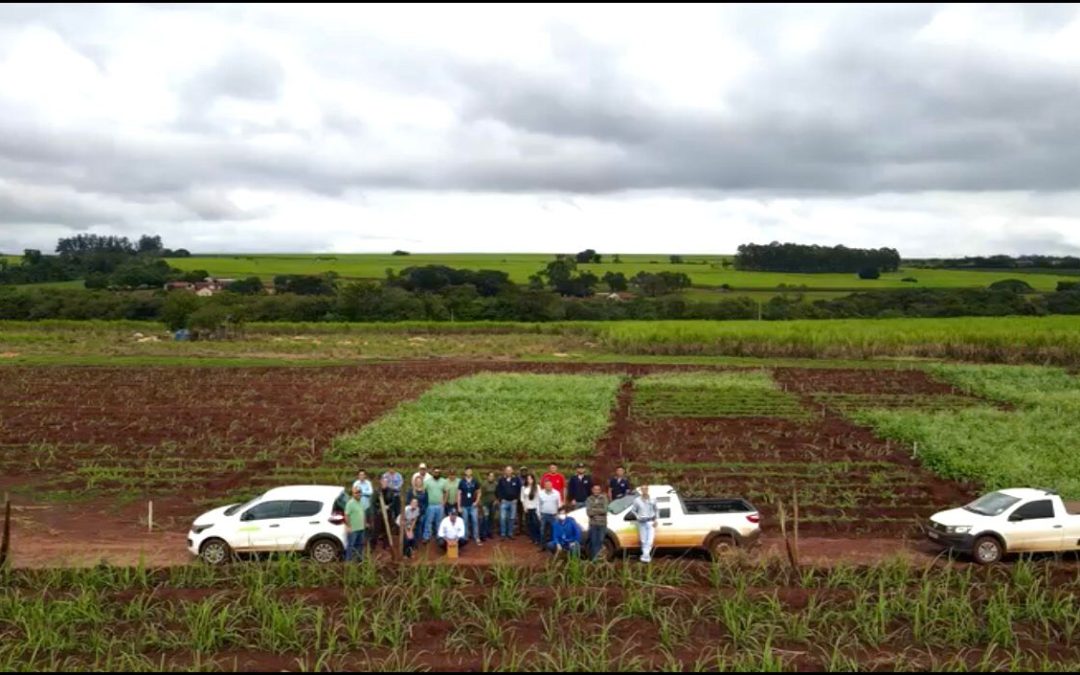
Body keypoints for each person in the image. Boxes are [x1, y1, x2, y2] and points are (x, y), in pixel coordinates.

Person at [631, 485, 658, 563]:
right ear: (641, 490)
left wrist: (656, 520)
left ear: (648, 489)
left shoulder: (653, 499)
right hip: (642, 522)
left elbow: (656, 510)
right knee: (643, 540)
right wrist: (637, 516)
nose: (644, 490)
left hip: (651, 521)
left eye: (645, 489)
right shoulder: (637, 500)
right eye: (642, 489)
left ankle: (645, 556)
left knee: (650, 540)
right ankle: (646, 556)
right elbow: (633, 510)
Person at [495, 465, 522, 540]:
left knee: (512, 518)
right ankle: (503, 534)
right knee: (503, 518)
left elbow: (519, 489)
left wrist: (517, 498)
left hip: (513, 502)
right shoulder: (501, 480)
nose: (508, 472)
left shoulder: (516, 479)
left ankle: (510, 533)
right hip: (504, 502)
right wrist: (500, 499)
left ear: (512, 471)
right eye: (507, 470)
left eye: (510, 470)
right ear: (505, 471)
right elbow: (498, 490)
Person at [457, 467, 483, 547]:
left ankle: (476, 537)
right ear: (465, 472)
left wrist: (476, 502)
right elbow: (458, 494)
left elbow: (479, 492)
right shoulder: (462, 482)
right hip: (464, 505)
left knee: (475, 521)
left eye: (470, 471)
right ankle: (465, 537)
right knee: (465, 522)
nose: (468, 472)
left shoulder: (475, 481)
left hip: (472, 505)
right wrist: (459, 506)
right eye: (467, 471)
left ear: (471, 472)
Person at [422, 468, 449, 543]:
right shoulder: (427, 481)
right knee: (428, 522)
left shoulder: (444, 481)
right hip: (430, 505)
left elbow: (446, 492)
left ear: (440, 473)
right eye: (435, 472)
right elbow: (423, 490)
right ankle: (426, 537)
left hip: (440, 505)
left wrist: (444, 502)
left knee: (439, 522)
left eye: (438, 472)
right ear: (432, 473)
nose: (436, 473)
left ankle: (439, 536)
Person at [585, 483, 610, 561]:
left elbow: (605, 510)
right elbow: (589, 512)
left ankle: (599, 558)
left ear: (600, 490)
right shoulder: (589, 499)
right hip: (593, 524)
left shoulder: (604, 498)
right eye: (595, 489)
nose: (596, 491)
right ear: (592, 490)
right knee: (593, 541)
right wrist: (599, 510)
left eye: (598, 489)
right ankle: (594, 559)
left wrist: (594, 510)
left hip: (602, 523)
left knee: (600, 541)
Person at [537, 478, 562, 550]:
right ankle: (542, 546)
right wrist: (539, 514)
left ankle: (552, 547)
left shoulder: (556, 493)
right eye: (546, 485)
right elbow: (538, 504)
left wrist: (558, 514)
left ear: (552, 485)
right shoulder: (540, 493)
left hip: (553, 515)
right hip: (544, 515)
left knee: (553, 531)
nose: (548, 486)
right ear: (544, 486)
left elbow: (559, 504)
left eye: (549, 485)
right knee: (542, 531)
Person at [344, 485, 367, 562]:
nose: (358, 494)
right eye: (356, 493)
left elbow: (362, 514)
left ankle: (359, 560)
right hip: (353, 529)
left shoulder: (361, 502)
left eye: (359, 492)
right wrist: (349, 526)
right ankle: (348, 561)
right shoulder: (350, 503)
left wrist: (364, 524)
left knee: (360, 545)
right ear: (353, 494)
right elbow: (346, 515)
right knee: (351, 545)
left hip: (361, 528)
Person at [520, 474, 541, 545]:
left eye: (530, 479)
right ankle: (532, 538)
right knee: (529, 524)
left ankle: (538, 538)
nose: (529, 480)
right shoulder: (523, 488)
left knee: (536, 523)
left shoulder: (537, 487)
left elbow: (539, 498)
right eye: (528, 479)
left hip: (535, 507)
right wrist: (524, 507)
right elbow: (522, 498)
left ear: (533, 479)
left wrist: (538, 508)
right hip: (527, 508)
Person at [480, 471, 498, 541]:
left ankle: (489, 533)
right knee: (485, 518)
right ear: (487, 477)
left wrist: (496, 500)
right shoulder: (484, 484)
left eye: (492, 476)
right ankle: (483, 534)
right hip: (485, 504)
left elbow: (497, 493)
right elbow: (481, 495)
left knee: (491, 519)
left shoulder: (495, 484)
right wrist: (481, 503)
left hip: (492, 504)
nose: (491, 477)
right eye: (490, 476)